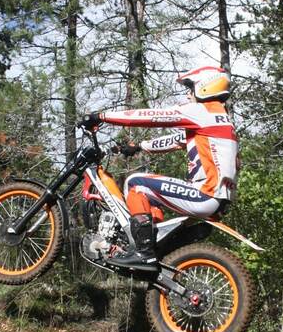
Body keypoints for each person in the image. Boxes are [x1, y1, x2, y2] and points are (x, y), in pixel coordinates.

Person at [82, 64, 238, 269]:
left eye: (190, 88)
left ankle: (143, 252)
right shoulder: (220, 119)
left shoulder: (201, 111)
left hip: (205, 194)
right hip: (219, 200)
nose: (188, 94)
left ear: (204, 86)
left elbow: (150, 116)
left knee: (135, 183)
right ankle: (153, 243)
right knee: (150, 197)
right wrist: (139, 146)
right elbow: (174, 141)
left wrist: (102, 116)